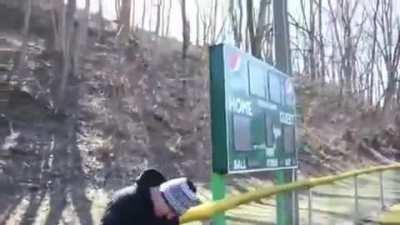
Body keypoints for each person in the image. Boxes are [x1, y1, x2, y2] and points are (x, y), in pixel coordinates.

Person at [100, 169, 200, 225]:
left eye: (176, 213)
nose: (171, 216)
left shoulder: (169, 218)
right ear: (163, 198)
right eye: (172, 210)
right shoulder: (124, 204)